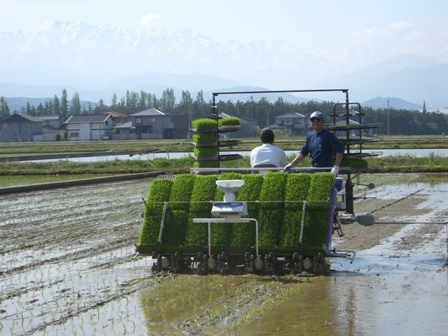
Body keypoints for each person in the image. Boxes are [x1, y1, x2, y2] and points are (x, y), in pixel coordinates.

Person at [284, 111, 343, 176]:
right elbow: (303, 153)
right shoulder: (310, 136)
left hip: (326, 168)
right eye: (313, 120)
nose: (315, 122)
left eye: (318, 120)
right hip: (314, 168)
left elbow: (339, 149)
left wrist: (336, 167)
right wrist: (292, 164)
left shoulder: (329, 135)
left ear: (322, 122)